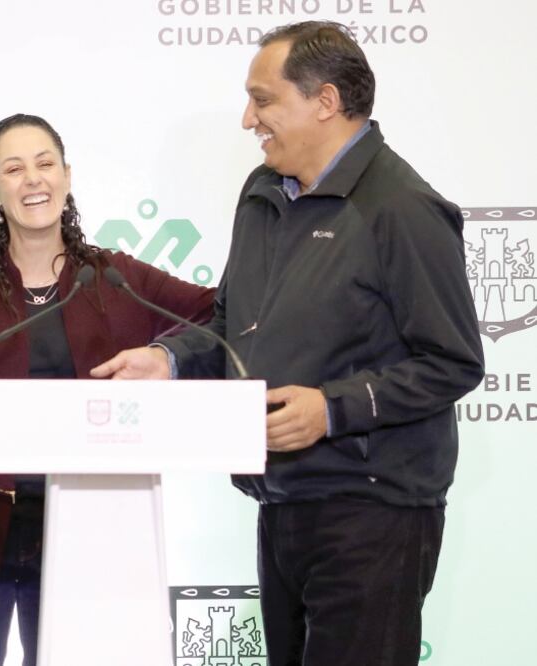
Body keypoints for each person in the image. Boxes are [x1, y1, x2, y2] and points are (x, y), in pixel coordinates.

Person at [91, 21, 484, 666]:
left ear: (325, 101)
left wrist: (331, 409)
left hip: (373, 512)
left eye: (263, 99)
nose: (249, 119)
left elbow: (453, 361)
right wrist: (169, 358)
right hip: (281, 503)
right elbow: (232, 322)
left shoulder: (403, 208)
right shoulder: (262, 193)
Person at [0, 113, 215, 665]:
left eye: (45, 163)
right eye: (14, 169)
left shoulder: (114, 276)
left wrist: (164, 356)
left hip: (89, 535)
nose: (33, 178)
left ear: (67, 176)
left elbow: (220, 314)